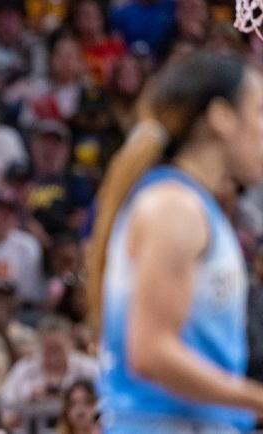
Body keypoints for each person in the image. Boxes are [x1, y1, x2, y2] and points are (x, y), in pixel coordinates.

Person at [86, 51, 263, 432]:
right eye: (260, 111)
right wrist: (256, 400)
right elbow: (150, 352)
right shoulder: (174, 207)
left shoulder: (189, 203)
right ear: (221, 117)